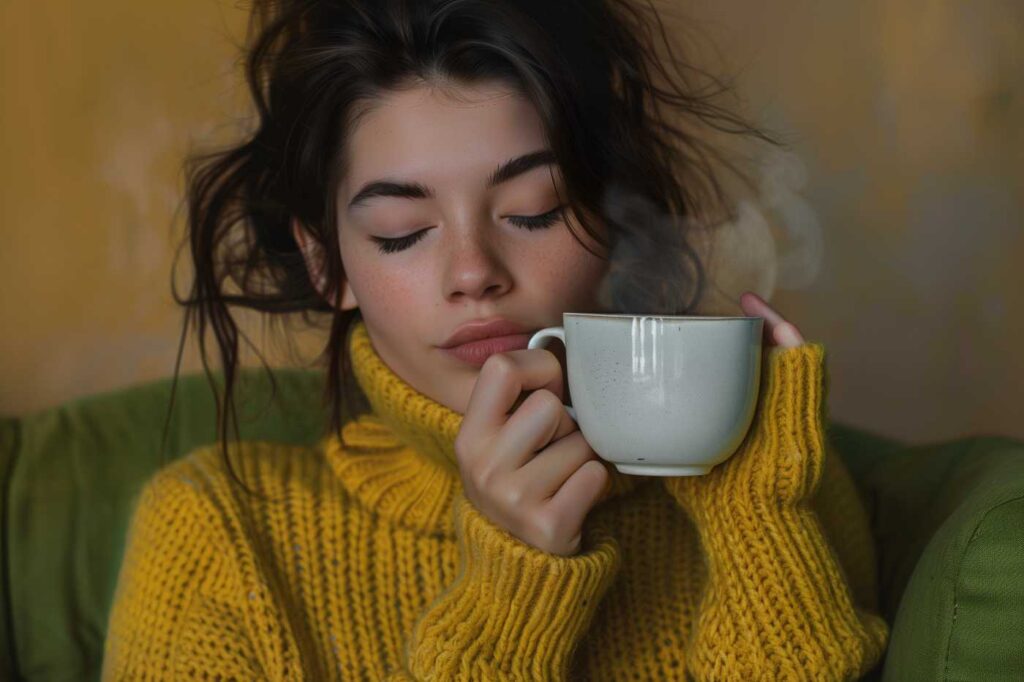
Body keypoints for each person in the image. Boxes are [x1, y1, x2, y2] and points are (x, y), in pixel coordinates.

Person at [102, 0, 889, 679]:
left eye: (535, 211)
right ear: (326, 264)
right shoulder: (215, 535)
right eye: (402, 231)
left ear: (614, 227)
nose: (474, 273)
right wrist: (506, 606)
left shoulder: (786, 491)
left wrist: (756, 524)